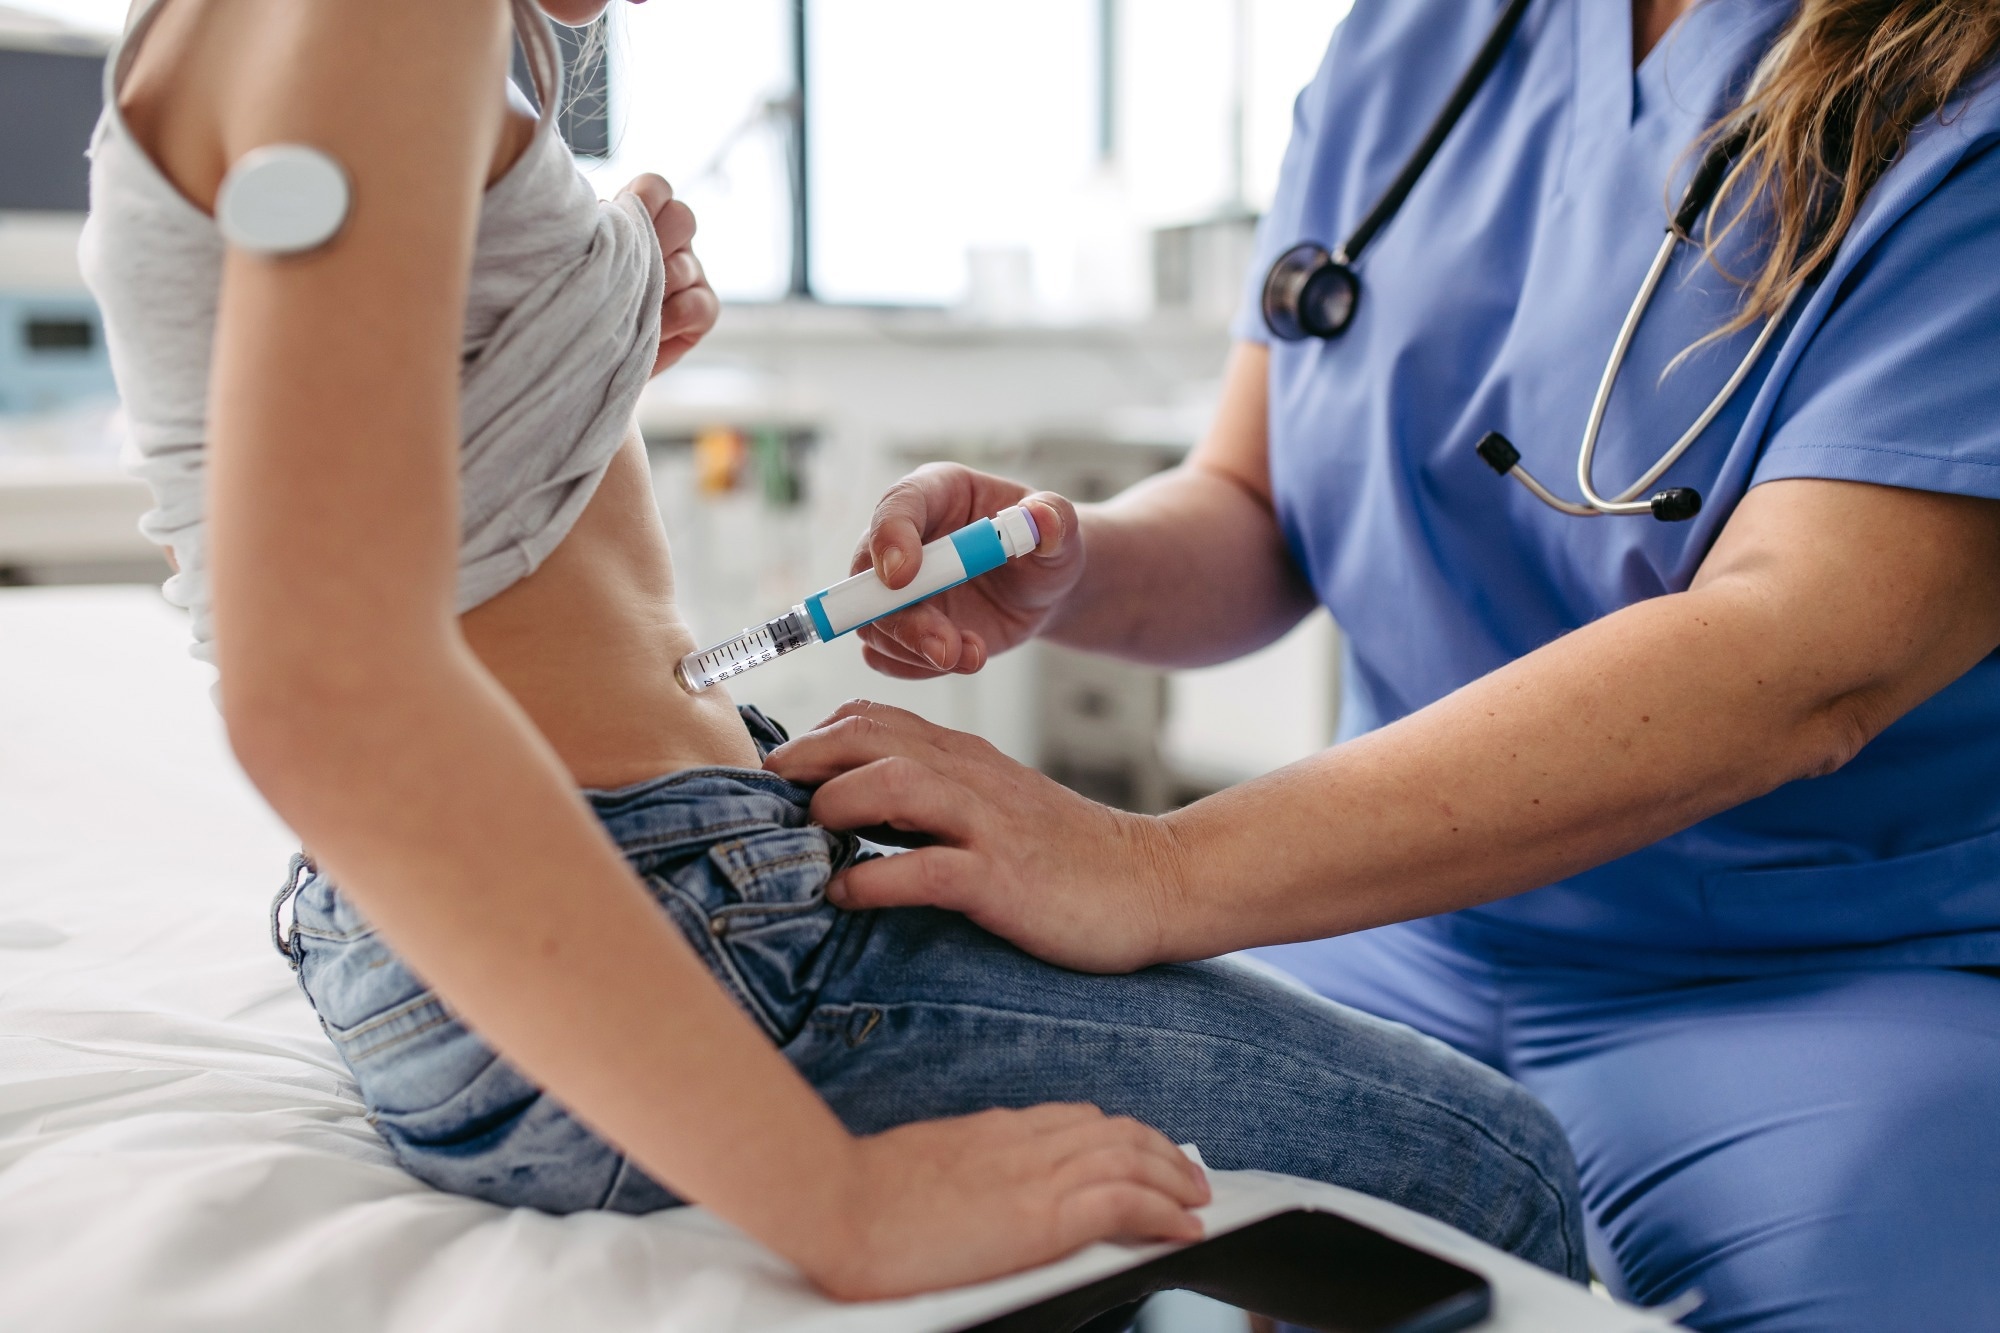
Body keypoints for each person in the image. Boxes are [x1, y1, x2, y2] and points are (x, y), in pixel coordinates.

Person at [78, 0, 1587, 1303]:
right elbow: (326, 690)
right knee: (1497, 1172)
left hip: (484, 919)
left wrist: (568, 331)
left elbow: (302, 484)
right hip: (656, 908)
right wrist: (847, 1206)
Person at [764, 0, 2000, 1327]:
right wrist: (1081, 562)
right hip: (1382, 920)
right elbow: (1255, 496)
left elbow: (1803, 656)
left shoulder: (1960, 112)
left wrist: (1155, 868)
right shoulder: (1420, 38)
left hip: (1804, 963)